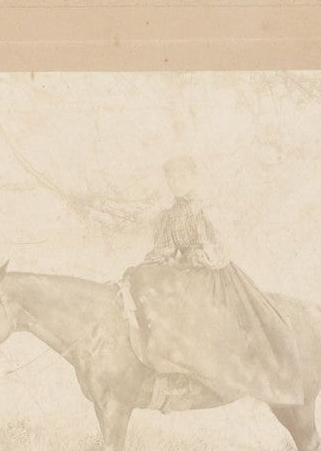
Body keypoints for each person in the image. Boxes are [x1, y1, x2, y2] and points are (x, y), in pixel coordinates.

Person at [123, 155, 306, 409]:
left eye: (182, 176)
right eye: (171, 178)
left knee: (193, 310)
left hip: (212, 274)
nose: (176, 182)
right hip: (183, 274)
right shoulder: (168, 216)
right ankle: (166, 369)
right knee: (149, 283)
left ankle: (200, 375)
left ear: (193, 177)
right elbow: (163, 250)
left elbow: (217, 250)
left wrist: (191, 259)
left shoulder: (204, 209)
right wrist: (146, 267)